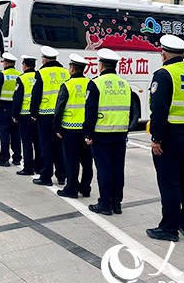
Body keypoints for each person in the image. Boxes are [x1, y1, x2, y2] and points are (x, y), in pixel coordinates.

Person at [147, 34, 184, 242]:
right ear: (183, 55)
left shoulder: (164, 75)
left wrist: (156, 138)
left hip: (170, 138)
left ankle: (169, 228)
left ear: (163, 54)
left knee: (169, 182)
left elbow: (159, 109)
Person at [84, 48, 131, 215]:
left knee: (104, 170)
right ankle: (116, 203)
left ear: (101, 65)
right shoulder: (125, 84)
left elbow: (90, 111)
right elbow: (130, 111)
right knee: (118, 169)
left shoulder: (95, 83)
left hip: (101, 134)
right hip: (120, 133)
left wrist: (88, 134)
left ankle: (104, 204)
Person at [53, 53, 92, 198]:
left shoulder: (67, 85)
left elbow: (60, 107)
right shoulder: (90, 83)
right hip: (86, 129)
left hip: (70, 129)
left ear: (73, 68)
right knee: (87, 161)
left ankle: (71, 188)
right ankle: (85, 188)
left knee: (71, 160)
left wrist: (56, 127)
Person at [31, 46, 70, 186]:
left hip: (45, 115)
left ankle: (46, 176)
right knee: (60, 147)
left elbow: (36, 95)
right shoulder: (66, 72)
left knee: (46, 146)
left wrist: (33, 113)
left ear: (45, 60)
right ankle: (61, 176)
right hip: (62, 116)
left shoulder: (41, 73)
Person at [0, 52, 22, 167]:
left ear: (6, 63)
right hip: (15, 108)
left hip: (3, 108)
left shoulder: (1, 75)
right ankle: (17, 158)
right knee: (15, 134)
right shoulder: (19, 75)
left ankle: (4, 159)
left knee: (4, 134)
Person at [13, 55, 41, 176]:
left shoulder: (22, 78)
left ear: (24, 65)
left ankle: (28, 167)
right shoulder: (38, 76)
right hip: (37, 114)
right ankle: (39, 166)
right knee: (38, 142)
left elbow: (17, 98)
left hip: (24, 115)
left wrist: (15, 114)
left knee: (27, 142)